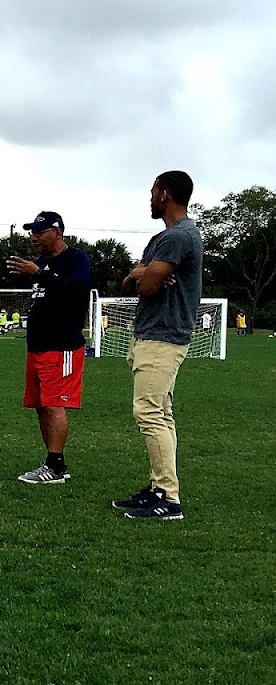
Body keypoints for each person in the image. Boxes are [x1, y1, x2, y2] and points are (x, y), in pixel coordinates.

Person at [112, 171, 202, 521]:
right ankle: (158, 487)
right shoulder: (163, 239)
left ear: (164, 193)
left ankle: (169, 497)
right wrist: (142, 273)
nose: (149, 197)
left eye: (152, 191)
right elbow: (134, 282)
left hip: (164, 335)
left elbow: (147, 287)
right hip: (149, 332)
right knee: (161, 413)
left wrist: (144, 275)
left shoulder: (179, 237)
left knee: (149, 413)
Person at [7, 211, 93, 485]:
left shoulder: (75, 259)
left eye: (40, 232)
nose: (34, 237)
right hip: (38, 346)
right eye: (32, 232)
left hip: (62, 345)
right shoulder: (42, 263)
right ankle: (55, 462)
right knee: (41, 405)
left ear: (58, 232)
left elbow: (77, 289)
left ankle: (54, 467)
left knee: (54, 404)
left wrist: (40, 273)